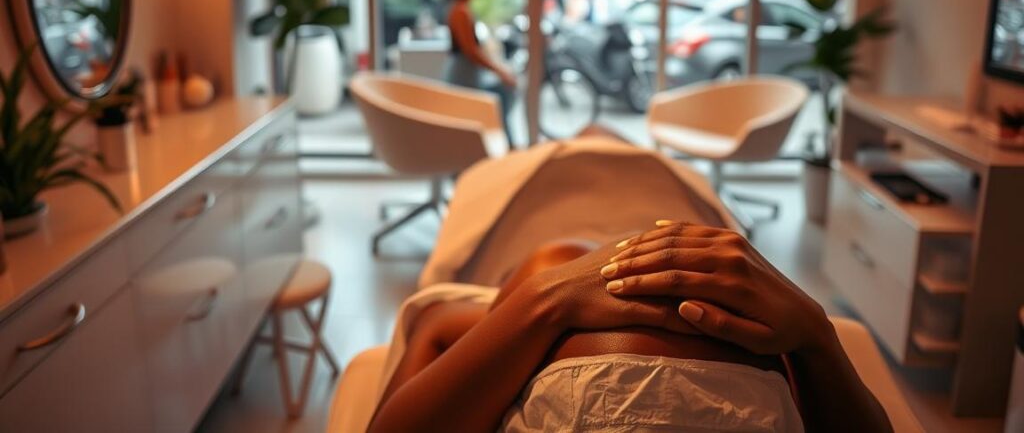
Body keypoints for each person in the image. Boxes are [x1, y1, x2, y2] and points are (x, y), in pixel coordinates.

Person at [368, 223, 894, 433]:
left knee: (559, 251)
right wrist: (816, 339)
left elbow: (434, 324)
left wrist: (543, 296)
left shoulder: (543, 281)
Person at [444, 0, 517, 144]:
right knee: (500, 98)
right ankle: (509, 148)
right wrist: (499, 71)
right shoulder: (460, 11)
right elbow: (470, 51)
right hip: (464, 75)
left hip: (467, 72)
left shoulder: (463, 8)